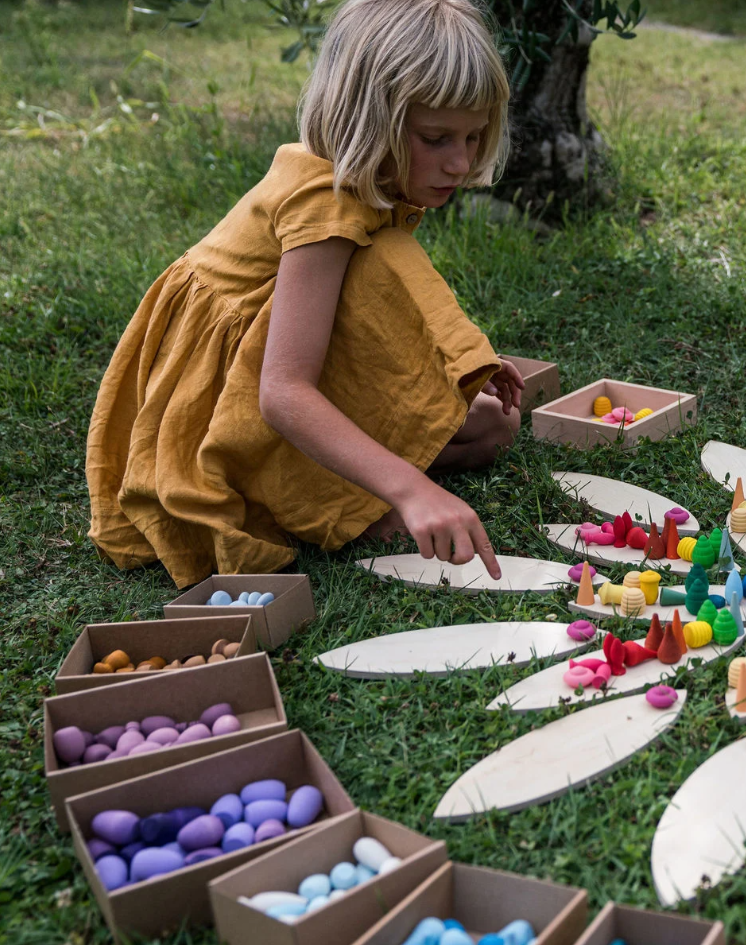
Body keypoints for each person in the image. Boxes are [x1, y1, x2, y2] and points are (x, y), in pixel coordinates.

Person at [86, 0, 521, 588]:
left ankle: (347, 474)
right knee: (397, 519)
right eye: (436, 138)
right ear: (368, 119)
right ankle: (314, 492)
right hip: (220, 401)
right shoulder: (325, 206)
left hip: (267, 364)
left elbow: (366, 307)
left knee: (492, 426)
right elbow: (282, 393)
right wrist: (410, 487)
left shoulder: (370, 184)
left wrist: (455, 360)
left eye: (473, 137)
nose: (461, 162)